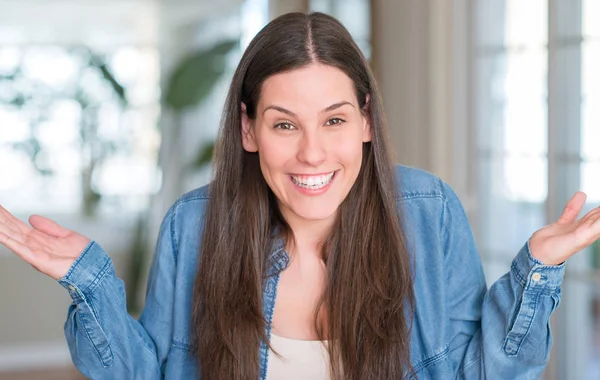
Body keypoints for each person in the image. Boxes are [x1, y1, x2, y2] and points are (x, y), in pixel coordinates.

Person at [0, 12, 599, 380]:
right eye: (285, 124)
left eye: (334, 120)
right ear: (248, 130)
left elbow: (479, 374)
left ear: (366, 122)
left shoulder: (429, 212)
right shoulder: (196, 225)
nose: (313, 153)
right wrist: (90, 282)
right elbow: (145, 373)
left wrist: (536, 273)